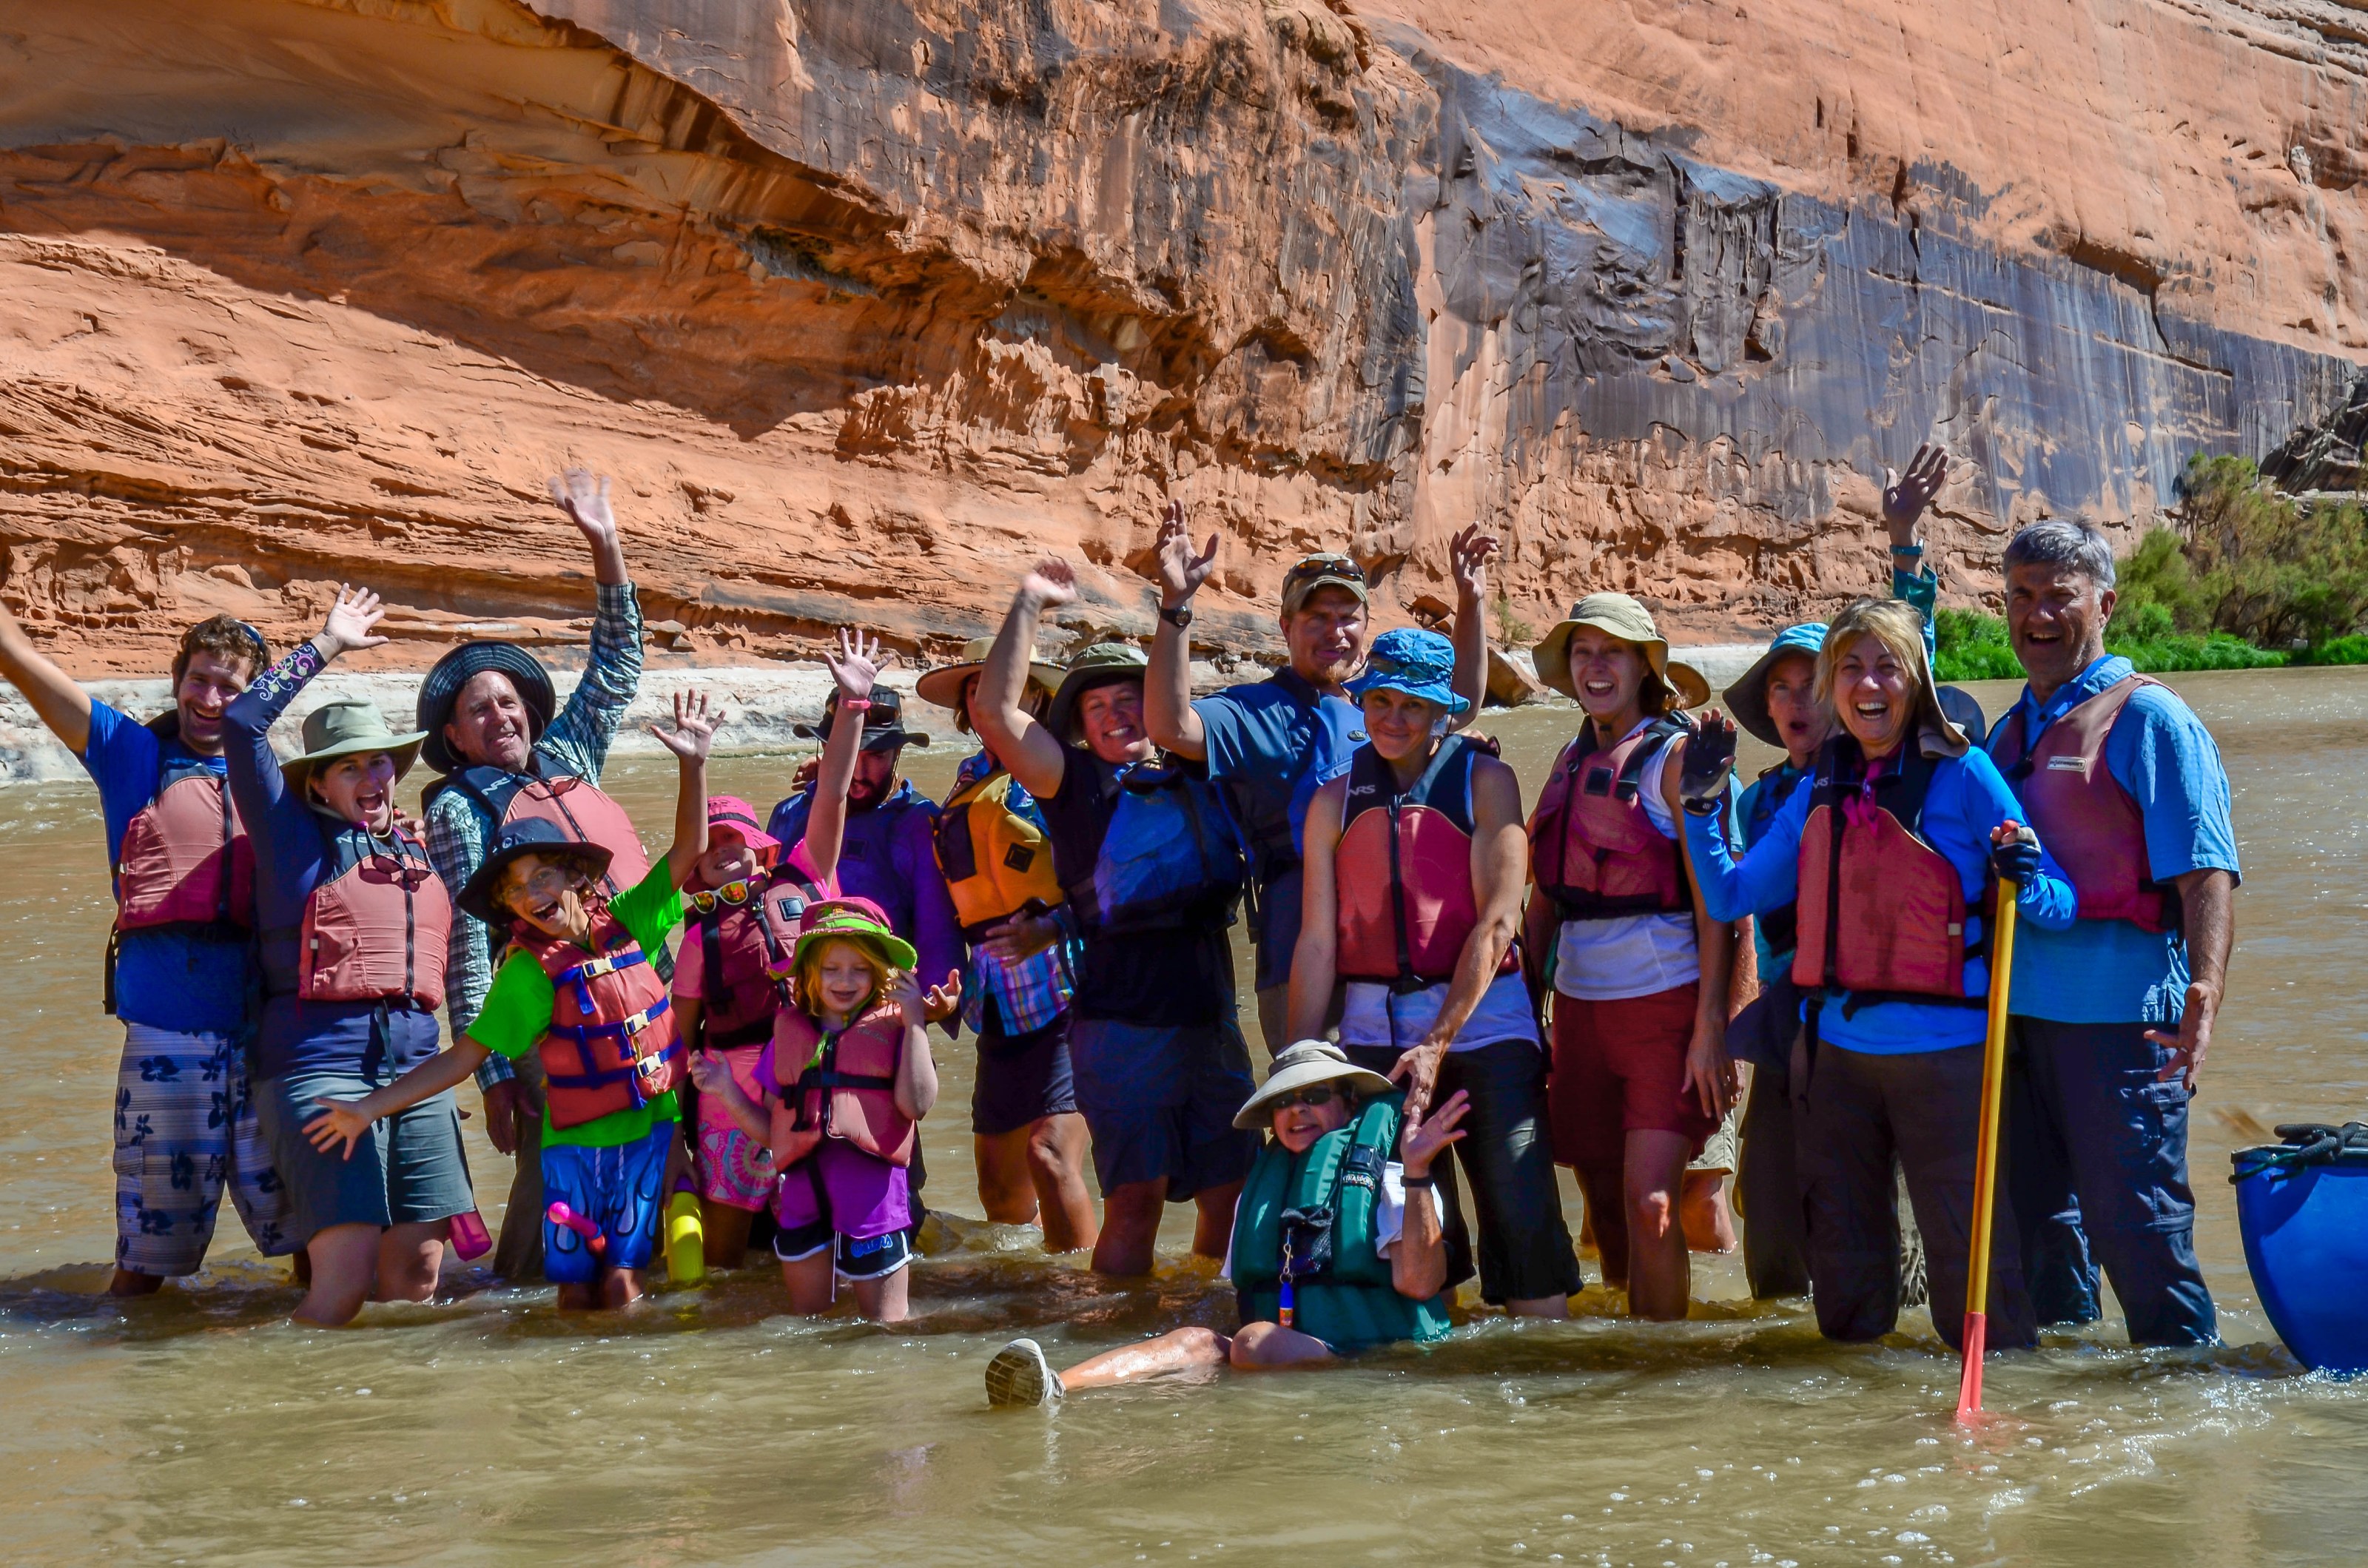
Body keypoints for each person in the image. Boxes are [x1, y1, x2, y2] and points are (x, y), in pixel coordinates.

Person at [1676, 596, 2076, 1351]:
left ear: (1915, 678)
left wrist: (2024, 876)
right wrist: (1699, 808)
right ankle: (1861, 1409)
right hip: (1837, 1063)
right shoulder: (1815, 786)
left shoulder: (1965, 774)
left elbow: (2059, 904)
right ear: (1833, 682)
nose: (1868, 684)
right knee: (1846, 1283)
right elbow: (1730, 894)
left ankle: (2002, 1393)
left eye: (1886, 666)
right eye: (1851, 667)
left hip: (1949, 1061)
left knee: (1971, 1272)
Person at [303, 690, 723, 1310]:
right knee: (575, 1291)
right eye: (516, 891)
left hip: (645, 1142)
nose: (532, 895)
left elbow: (687, 852)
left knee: (622, 1283)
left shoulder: (630, 921)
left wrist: (694, 764)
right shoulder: (528, 976)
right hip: (573, 1156)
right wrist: (368, 1108)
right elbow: (462, 1058)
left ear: (576, 876)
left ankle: (624, 1370)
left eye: (542, 876)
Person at [1987, 520, 2236, 1347]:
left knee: (2141, 1237)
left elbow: (2206, 873)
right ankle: (2070, 1406)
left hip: (2123, 1029)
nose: (2037, 614)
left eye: (2059, 596)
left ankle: (2184, 1394)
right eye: (2021, 595)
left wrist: (2204, 991)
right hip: (2015, 1028)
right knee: (2041, 1245)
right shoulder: (2010, 729)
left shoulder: (2150, 719)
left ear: (2105, 605)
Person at [0, 605, 295, 1295]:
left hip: (269, 1037)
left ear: (256, 697)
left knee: (311, 1239)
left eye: (230, 686)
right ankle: (128, 1351)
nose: (211, 698)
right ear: (176, 680)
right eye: (199, 679)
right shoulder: (130, 755)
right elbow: (20, 660)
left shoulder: (280, 779)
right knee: (145, 1260)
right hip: (168, 1033)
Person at [975, 562, 1258, 1277]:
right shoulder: (1068, 782)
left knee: (1231, 1196)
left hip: (1210, 1020)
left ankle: (1199, 1317)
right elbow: (995, 713)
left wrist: (1177, 606)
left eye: (1129, 698)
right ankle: (1117, 1331)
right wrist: (1029, 601)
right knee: (1136, 1202)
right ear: (1079, 724)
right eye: (1096, 705)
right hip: (1122, 1029)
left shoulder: (1197, 771)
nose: (1113, 714)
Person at [1287, 627, 1578, 1318]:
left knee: (1523, 1220)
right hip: (1374, 1038)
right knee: (1404, 1235)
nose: (1393, 718)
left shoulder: (1487, 782)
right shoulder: (1333, 801)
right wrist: (1296, 1069)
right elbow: (1318, 942)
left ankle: (1545, 1367)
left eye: (1413, 705)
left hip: (1486, 1031)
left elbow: (1498, 923)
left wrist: (1437, 1043)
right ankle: (1434, 1368)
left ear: (1442, 711)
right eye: (1380, 701)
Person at [1144, 499, 1497, 1051]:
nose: (1335, 631)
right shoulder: (1253, 712)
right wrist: (1176, 606)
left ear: (1365, 626)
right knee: (1317, 1098)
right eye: (1317, 618)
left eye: (1347, 617)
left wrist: (1471, 603)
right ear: (1286, 626)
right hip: (1301, 952)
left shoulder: (1379, 704)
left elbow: (1461, 706)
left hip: (1396, 947)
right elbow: (1170, 726)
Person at [417, 468, 652, 1280]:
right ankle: (518, 1298)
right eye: (478, 709)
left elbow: (618, 661)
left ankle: (628, 1292)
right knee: (555, 1165)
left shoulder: (570, 752)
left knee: (649, 1150)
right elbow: (465, 946)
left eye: (509, 701)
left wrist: (604, 540)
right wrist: (491, 1075)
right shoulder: (460, 809)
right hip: (542, 1015)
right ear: (455, 738)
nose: (500, 715)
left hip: (631, 988)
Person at [226, 587, 472, 1327]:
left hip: (418, 1070)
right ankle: (280, 1392)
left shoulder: (414, 848)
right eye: (351, 768)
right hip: (318, 1067)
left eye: (382, 764)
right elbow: (242, 723)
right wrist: (327, 643)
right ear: (318, 783)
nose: (373, 779)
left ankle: (386, 1401)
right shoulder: (292, 841)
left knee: (418, 1273)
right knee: (346, 1276)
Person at [982, 1042, 1464, 1404]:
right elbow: (1246, 1291)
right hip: (1289, 1347)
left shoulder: (1394, 1182)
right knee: (1193, 1339)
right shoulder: (1260, 1195)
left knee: (1253, 1341)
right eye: (1284, 1101)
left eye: (1315, 1095)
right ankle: (1054, 1387)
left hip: (1373, 1353)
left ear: (1349, 1104)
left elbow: (1420, 1284)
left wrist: (1418, 1171)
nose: (1297, 1109)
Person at [1524, 593, 1734, 1320]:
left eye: (1611, 651)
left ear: (1645, 667)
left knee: (1652, 1204)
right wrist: (1524, 1012)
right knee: (1603, 1202)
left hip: (1664, 1008)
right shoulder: (1568, 758)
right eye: (1582, 652)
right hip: (1579, 1011)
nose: (1595, 666)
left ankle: (1663, 1364)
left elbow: (1719, 903)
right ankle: (1623, 1348)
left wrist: (1712, 1027)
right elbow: (1544, 900)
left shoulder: (1676, 759)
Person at [670, 633, 873, 1267]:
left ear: (760, 848)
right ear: (696, 870)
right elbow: (678, 1040)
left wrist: (852, 705)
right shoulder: (699, 937)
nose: (725, 850)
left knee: (820, 1235)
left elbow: (832, 793)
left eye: (735, 839)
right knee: (727, 1254)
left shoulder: (807, 875)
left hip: (811, 1077)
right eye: (711, 845)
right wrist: (674, 1134)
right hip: (726, 1094)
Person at [915, 637, 1098, 1254]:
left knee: (1050, 1154)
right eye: (975, 687)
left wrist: (1057, 924)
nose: (986, 696)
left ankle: (1088, 1296)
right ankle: (1032, 1292)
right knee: (998, 1184)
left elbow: (1115, 874)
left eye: (1003, 683)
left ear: (1037, 696)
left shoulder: (1068, 771)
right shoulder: (969, 779)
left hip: (1070, 985)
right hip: (997, 997)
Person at [689, 898, 949, 1322]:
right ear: (810, 972)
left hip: (873, 1208)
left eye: (860, 969)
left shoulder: (897, 1030)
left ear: (879, 972)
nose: (845, 980)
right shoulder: (788, 1034)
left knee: (886, 1330)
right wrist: (726, 1090)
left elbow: (917, 1104)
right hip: (802, 1202)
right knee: (809, 1330)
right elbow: (773, 1134)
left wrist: (916, 1020)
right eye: (831, 968)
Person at [1718, 620, 1829, 1297]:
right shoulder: (1754, 800)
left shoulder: (1887, 779)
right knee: (1766, 1197)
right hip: (1783, 1024)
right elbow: (1728, 908)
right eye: (1780, 689)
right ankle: (1781, 1339)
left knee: (1871, 1203)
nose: (1795, 702)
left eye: (1812, 684)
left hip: (1867, 1023)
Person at [765, 684, 963, 999]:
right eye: (847, 754)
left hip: (882, 1006)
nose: (858, 773)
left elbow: (937, 933)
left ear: (898, 753)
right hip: (797, 1001)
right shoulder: (789, 814)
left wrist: (937, 998)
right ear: (825, 749)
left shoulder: (919, 824)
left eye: (876, 756)